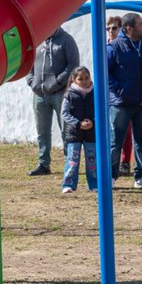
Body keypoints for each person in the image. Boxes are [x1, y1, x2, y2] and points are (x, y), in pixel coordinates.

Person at [107, 12, 142, 189]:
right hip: (121, 103)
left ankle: (141, 175)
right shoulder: (115, 47)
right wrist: (120, 89)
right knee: (115, 141)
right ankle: (110, 175)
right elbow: (105, 73)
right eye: (140, 24)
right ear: (128, 28)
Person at [26, 25, 79, 176]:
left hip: (59, 93)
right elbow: (28, 61)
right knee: (42, 131)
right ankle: (43, 164)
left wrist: (58, 82)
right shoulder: (37, 40)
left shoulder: (66, 40)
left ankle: (69, 162)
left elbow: (73, 65)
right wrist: (31, 81)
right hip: (39, 94)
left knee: (66, 129)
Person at [60, 66, 97, 194]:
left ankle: (94, 184)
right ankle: (68, 184)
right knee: (72, 159)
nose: (84, 81)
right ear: (74, 80)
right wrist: (78, 124)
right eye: (80, 79)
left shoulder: (95, 92)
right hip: (74, 132)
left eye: (87, 78)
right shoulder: (69, 94)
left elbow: (101, 110)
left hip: (91, 131)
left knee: (92, 160)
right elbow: (65, 113)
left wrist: (93, 122)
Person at [106, 15, 135, 175]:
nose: (111, 31)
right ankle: (111, 163)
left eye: (114, 28)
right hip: (108, 94)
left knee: (125, 130)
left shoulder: (125, 47)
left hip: (122, 95)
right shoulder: (105, 47)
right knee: (110, 130)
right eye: (108, 28)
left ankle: (125, 161)